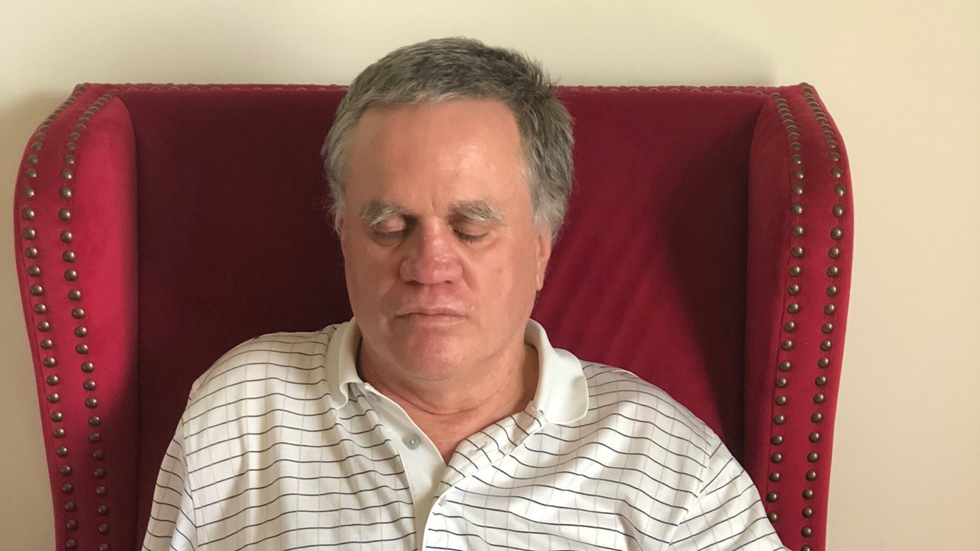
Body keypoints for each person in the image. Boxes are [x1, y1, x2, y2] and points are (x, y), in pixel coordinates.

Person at [143, 37, 787, 551]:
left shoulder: (664, 459)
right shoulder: (240, 410)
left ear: (542, 245)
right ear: (343, 235)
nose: (429, 265)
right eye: (389, 227)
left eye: (471, 229)